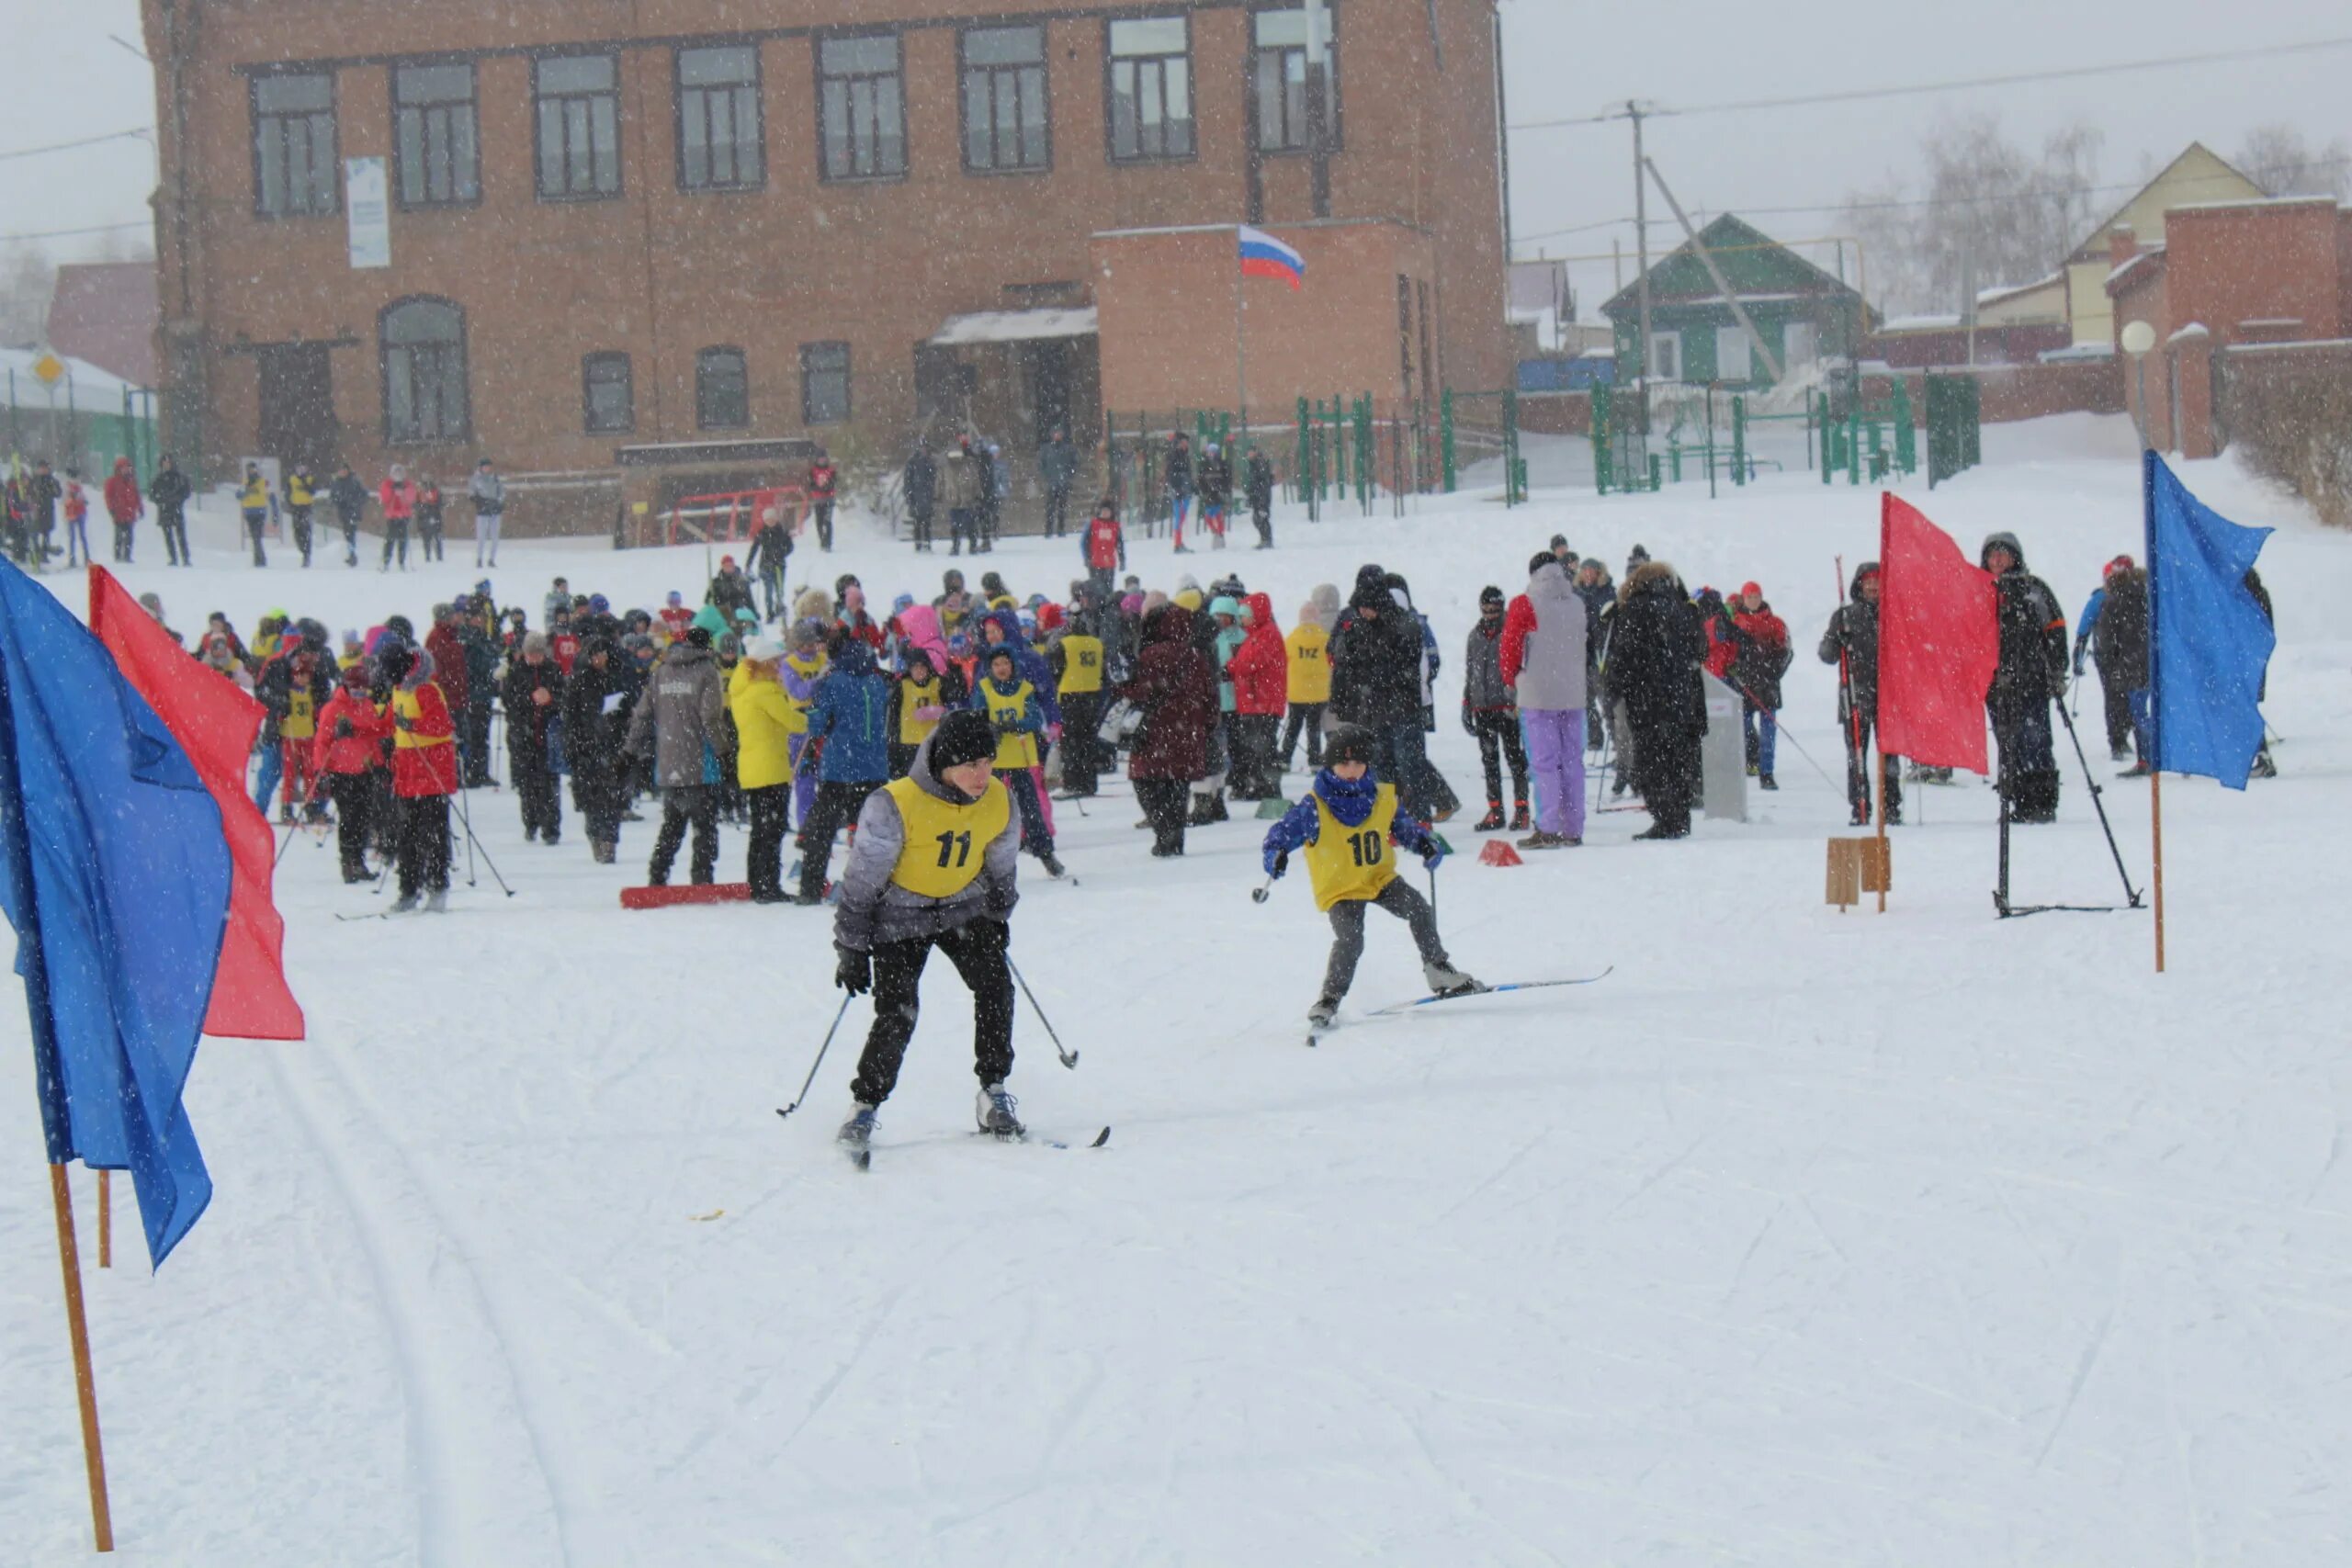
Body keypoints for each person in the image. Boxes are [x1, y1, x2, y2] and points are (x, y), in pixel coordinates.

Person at [830, 709, 1029, 1150]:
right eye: (969, 765)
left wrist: (998, 916)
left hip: (964, 909)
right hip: (901, 917)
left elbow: (1001, 867)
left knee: (996, 986)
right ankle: (864, 1105)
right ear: (944, 764)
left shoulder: (1000, 799)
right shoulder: (894, 802)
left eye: (987, 762)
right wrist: (851, 947)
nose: (981, 775)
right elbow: (861, 882)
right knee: (898, 1012)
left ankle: (993, 1091)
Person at [1261, 723, 1482, 1029]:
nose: (1351, 770)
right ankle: (1329, 999)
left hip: (1378, 878)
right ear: (1331, 765)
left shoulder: (1380, 797)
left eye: (1358, 763)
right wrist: (1276, 853)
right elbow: (1282, 834)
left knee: (1417, 907)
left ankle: (1437, 967)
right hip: (1342, 887)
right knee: (1350, 940)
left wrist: (1422, 843)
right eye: (1343, 763)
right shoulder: (1315, 805)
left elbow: (1402, 828)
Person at [1610, 560, 1707, 840]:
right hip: (1682, 697)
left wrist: (1615, 688)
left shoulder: (1635, 608)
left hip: (1647, 697)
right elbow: (1700, 650)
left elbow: (1625, 654)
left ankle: (1665, 817)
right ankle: (1679, 815)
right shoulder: (1684, 607)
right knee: (1679, 759)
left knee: (1651, 760)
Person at [626, 626, 728, 886]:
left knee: (672, 825)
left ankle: (657, 875)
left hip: (669, 759)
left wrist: (629, 750)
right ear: (707, 648)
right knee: (704, 827)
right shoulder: (707, 672)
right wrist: (724, 752)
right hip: (700, 762)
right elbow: (710, 718)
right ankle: (702, 878)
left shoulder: (661, 672)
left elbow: (642, 714)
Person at [1329, 568, 1432, 820]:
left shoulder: (1405, 626)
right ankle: (1387, 820)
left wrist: (1374, 670)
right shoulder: (1359, 627)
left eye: (1366, 607)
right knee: (1379, 769)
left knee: (1410, 765)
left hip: (1403, 708)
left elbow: (1405, 669)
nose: (1362, 612)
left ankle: (1420, 819)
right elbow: (1344, 662)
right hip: (1376, 710)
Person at [1498, 555, 1588, 847]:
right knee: (1572, 761)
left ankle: (1548, 826)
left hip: (1538, 692)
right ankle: (1573, 828)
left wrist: (1513, 679)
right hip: (1574, 694)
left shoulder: (1524, 604)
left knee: (1544, 763)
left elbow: (1510, 648)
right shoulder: (1577, 603)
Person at [798, 634, 894, 902]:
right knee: (874, 832)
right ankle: (875, 886)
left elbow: (817, 725)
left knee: (822, 830)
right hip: (874, 766)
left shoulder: (833, 681)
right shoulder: (876, 681)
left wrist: (816, 711)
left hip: (840, 767)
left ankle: (811, 887)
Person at [1982, 531, 2067, 824]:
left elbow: (2055, 630)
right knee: (2008, 744)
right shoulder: (1979, 592)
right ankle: (2015, 801)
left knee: (2036, 740)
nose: (1998, 560)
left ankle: (2042, 803)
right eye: (1993, 555)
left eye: (2003, 554)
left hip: (2032, 681)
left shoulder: (2034, 590)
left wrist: (2057, 670)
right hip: (1995, 686)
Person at [1118, 604, 1216, 857]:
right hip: (1188, 731)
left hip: (1155, 730)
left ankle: (1163, 830)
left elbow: (1140, 690)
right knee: (1178, 786)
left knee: (1145, 781)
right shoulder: (1196, 657)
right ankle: (1175, 837)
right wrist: (1206, 724)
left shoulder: (1151, 655)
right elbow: (1210, 695)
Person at [970, 645, 1065, 876]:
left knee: (1031, 810)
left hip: (1020, 759)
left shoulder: (1024, 689)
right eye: (997, 665)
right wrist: (989, 728)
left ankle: (1046, 854)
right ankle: (980, 862)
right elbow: (977, 716)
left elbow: (1033, 719)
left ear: (1012, 665)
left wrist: (1014, 725)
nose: (1002, 668)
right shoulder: (983, 688)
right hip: (991, 762)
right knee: (986, 811)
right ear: (990, 668)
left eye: (1005, 663)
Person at [379, 641, 459, 911]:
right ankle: (408, 889)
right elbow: (387, 720)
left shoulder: (426, 689)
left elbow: (443, 725)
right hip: (407, 772)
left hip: (432, 771)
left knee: (434, 833)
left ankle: (438, 887)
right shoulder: (398, 688)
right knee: (407, 835)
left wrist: (413, 725)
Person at [1820, 561, 1901, 827]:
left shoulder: (1894, 614)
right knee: (1856, 756)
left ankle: (1891, 808)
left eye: (1877, 580)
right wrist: (1837, 640)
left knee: (1888, 756)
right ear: (1860, 584)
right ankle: (1860, 806)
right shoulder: (1844, 616)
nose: (1873, 586)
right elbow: (1827, 655)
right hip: (1854, 696)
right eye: (1868, 581)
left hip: (1887, 696)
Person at [725, 637, 797, 899]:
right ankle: (769, 885)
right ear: (765, 663)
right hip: (771, 768)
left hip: (752, 768)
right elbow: (793, 721)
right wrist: (814, 717)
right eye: (776, 662)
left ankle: (757, 882)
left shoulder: (743, 690)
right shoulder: (765, 692)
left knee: (760, 829)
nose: (779, 667)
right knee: (773, 829)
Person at [313, 661, 393, 882]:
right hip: (340, 771)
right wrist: (320, 771)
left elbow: (373, 737)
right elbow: (321, 741)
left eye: (363, 688)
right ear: (347, 686)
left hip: (364, 769)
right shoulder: (333, 709)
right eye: (356, 688)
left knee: (364, 816)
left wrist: (379, 764)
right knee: (349, 817)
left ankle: (358, 861)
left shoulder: (367, 705)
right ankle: (348, 862)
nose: (360, 692)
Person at [1463, 586, 1532, 835]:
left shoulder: (1510, 632)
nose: (1490, 615)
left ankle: (1522, 808)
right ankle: (1495, 808)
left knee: (1515, 759)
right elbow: (1471, 672)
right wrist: (1467, 703)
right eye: (1485, 610)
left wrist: (1516, 698)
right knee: (1489, 761)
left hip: (1507, 705)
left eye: (1494, 610)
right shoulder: (1475, 636)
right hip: (1483, 706)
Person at [2075, 556, 2142, 767]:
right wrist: (2078, 655)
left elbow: (2083, 630)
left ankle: (2121, 738)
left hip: (2126, 657)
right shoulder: (2101, 598)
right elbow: (2084, 627)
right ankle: (2117, 741)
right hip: (2111, 659)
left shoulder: (2131, 597)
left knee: (2126, 699)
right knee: (2116, 698)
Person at [503, 631, 567, 844]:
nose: (535, 658)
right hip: (523, 737)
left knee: (550, 784)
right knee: (527, 785)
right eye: (531, 654)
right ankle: (531, 824)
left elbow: (564, 699)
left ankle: (551, 829)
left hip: (548, 736)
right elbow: (508, 702)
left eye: (538, 653)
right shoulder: (515, 672)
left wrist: (550, 700)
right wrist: (530, 700)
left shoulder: (554, 669)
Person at [1227, 593, 1287, 799]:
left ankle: (1270, 787)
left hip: (1264, 702)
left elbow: (1253, 662)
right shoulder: (1254, 635)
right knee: (1254, 747)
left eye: (1245, 615)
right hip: (1254, 701)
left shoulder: (1267, 634)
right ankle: (1261, 785)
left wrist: (1230, 668)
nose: (1241, 619)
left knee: (1264, 747)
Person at [1731, 582, 1791, 792]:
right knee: (1743, 726)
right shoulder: (1736, 622)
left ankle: (1767, 772)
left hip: (1768, 684)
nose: (1753, 600)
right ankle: (1750, 758)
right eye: (1750, 597)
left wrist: (1773, 673)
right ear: (1743, 599)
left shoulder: (1775, 623)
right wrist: (1738, 672)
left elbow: (1786, 652)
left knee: (1769, 732)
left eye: (1756, 596)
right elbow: (1730, 653)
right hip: (1745, 685)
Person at [1046, 604, 1109, 798]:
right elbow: (1103, 673)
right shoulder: (1097, 644)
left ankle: (1073, 782)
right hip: (1093, 696)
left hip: (1070, 695)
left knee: (1071, 743)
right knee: (1088, 741)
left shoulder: (1064, 644)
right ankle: (1089, 783)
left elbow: (1056, 671)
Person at [1280, 601, 1330, 773]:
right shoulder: (1324, 639)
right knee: (1313, 728)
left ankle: (1285, 758)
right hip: (1318, 692)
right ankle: (1315, 760)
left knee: (1293, 726)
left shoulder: (1292, 639)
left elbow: (1283, 661)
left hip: (1296, 692)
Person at [744, 504, 794, 622]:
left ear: (776, 519)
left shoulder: (782, 532)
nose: (770, 522)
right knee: (768, 591)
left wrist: (782, 554)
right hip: (765, 566)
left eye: (772, 519)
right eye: (767, 520)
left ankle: (779, 606)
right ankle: (769, 612)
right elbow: (754, 549)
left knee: (779, 589)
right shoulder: (762, 533)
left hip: (780, 565)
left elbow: (790, 547)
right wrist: (748, 564)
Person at [1080, 495, 1126, 604]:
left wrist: (1122, 559)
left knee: (1108, 589)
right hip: (1095, 562)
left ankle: (1107, 607)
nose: (1105, 513)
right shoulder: (1093, 525)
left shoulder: (1115, 526)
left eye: (1107, 511)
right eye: (1103, 511)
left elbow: (1119, 544)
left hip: (1109, 563)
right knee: (1095, 588)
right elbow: (1084, 542)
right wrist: (1087, 557)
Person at [150, 454, 192, 566]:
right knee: (168, 538)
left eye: (168, 462)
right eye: (164, 463)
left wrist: (177, 499)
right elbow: (153, 494)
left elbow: (186, 491)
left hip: (176, 509)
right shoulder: (158, 479)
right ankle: (173, 558)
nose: (167, 465)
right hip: (164, 511)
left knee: (181, 536)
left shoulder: (179, 478)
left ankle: (186, 558)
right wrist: (161, 500)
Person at [1039, 426, 1078, 538]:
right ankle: (1049, 529)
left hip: (1063, 483)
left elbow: (1075, 463)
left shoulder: (1068, 449)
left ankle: (1061, 529)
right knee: (1050, 508)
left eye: (1059, 433)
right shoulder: (1046, 449)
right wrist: (1047, 476)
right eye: (1055, 433)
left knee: (1062, 508)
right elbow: (1041, 464)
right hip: (1051, 483)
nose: (1057, 435)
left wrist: (1069, 475)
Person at [103, 456, 142, 564]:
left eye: (128, 467)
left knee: (129, 536)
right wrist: (111, 509)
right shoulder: (112, 482)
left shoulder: (132, 481)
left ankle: (127, 555)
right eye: (124, 468)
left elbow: (137, 496)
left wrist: (140, 508)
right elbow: (108, 496)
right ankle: (118, 556)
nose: (126, 470)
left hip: (129, 513)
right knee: (119, 535)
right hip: (118, 513)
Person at [379, 464, 417, 570]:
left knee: (403, 539)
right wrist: (392, 491)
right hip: (392, 515)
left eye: (400, 473)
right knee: (390, 539)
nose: (398, 475)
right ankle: (386, 561)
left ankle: (401, 561)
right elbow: (384, 498)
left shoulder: (408, 484)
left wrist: (404, 492)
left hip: (404, 515)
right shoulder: (387, 484)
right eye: (396, 473)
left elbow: (411, 498)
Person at [329, 464, 368, 567]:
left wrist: (354, 502)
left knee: (351, 533)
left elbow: (364, 495)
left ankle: (352, 554)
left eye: (344, 470)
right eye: (341, 470)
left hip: (353, 511)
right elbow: (332, 497)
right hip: (343, 512)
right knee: (347, 533)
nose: (342, 472)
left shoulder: (354, 481)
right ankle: (351, 552)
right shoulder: (336, 483)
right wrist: (338, 501)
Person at [1196, 442, 1232, 551]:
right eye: (1209, 452)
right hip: (1209, 494)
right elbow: (1201, 479)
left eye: (1213, 452)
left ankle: (1220, 535)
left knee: (1219, 516)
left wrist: (1223, 489)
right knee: (1208, 516)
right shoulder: (1204, 464)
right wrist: (1204, 490)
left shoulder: (1223, 464)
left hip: (1218, 493)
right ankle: (1216, 532)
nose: (1211, 454)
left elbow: (1227, 478)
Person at [469, 458, 505, 568]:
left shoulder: (495, 478)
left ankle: (491, 559)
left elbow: (501, 492)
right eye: (485, 467)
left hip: (495, 511)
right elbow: (471, 493)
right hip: (482, 511)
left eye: (489, 466)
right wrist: (479, 500)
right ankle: (479, 558)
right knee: (481, 537)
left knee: (495, 537)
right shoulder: (476, 479)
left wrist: (499, 503)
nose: (487, 469)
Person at [903, 444, 939, 552]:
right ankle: (918, 544)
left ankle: (927, 543)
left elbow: (933, 479)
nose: (923, 450)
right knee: (917, 522)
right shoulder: (912, 462)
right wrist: (909, 494)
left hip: (927, 495)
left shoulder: (930, 462)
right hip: (916, 495)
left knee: (927, 522)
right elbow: (907, 480)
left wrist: (933, 493)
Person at [1164, 433, 1195, 553]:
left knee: (1181, 516)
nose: (1186, 444)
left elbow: (1186, 472)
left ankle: (1178, 542)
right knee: (1179, 516)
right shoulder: (1175, 455)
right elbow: (1172, 473)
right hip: (1179, 489)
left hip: (1184, 488)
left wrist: (1192, 486)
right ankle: (1177, 544)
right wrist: (1177, 488)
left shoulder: (1184, 455)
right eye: (1184, 441)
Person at [282, 463, 317, 566]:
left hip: (306, 508)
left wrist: (305, 484)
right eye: (299, 469)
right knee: (297, 532)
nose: (300, 471)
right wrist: (290, 503)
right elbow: (287, 493)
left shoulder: (310, 479)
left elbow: (313, 491)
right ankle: (303, 549)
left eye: (303, 469)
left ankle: (307, 554)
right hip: (296, 508)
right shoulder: (292, 480)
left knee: (306, 531)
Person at [237, 461, 270, 566]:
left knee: (257, 536)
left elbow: (268, 493)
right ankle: (259, 558)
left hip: (260, 511)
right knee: (255, 537)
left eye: (253, 469)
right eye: (250, 470)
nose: (252, 472)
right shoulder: (244, 482)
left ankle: (260, 559)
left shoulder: (262, 481)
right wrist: (244, 492)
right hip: (249, 512)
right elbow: (239, 495)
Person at [1244, 446, 1275, 550]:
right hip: (1257, 496)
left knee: (1262, 517)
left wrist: (1261, 497)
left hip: (1262, 496)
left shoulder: (1260, 463)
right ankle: (1264, 539)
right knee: (1257, 518)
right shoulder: (1253, 464)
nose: (1249, 455)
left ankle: (1267, 540)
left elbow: (1264, 482)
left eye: (1250, 452)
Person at [708, 554, 756, 624]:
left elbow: (749, 599)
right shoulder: (716, 582)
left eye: (730, 566)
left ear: (734, 566)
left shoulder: (742, 581)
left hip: (739, 611)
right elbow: (708, 600)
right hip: (723, 612)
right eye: (726, 566)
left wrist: (754, 612)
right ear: (722, 567)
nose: (728, 568)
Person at [808, 448, 838, 551]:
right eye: (820, 459)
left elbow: (833, 483)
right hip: (818, 500)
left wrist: (826, 487)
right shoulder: (812, 471)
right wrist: (818, 488)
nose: (822, 461)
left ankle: (828, 543)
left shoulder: (831, 470)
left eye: (823, 459)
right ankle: (822, 540)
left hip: (829, 499)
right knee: (819, 522)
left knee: (827, 521)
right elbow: (811, 484)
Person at [415, 472, 446, 561]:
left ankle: (439, 556)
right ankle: (428, 556)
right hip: (424, 515)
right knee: (426, 537)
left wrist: (434, 506)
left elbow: (440, 502)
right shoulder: (419, 490)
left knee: (437, 537)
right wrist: (422, 507)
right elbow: (416, 503)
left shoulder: (436, 490)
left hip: (434, 514)